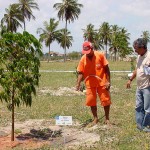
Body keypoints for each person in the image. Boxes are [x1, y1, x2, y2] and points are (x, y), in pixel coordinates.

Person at [76, 41, 111, 126]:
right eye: (85, 52)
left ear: (92, 49)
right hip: (90, 83)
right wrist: (78, 83)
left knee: (105, 100)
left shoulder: (100, 55)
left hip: (102, 82)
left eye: (88, 51)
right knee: (91, 101)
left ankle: (107, 119)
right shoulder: (83, 59)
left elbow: (107, 69)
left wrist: (108, 81)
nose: (87, 54)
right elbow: (81, 72)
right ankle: (95, 118)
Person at [126, 38, 150, 132]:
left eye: (136, 48)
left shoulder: (149, 56)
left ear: (142, 47)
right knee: (138, 107)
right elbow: (137, 69)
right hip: (139, 86)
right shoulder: (139, 56)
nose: (135, 50)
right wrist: (130, 79)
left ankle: (146, 126)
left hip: (147, 87)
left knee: (147, 108)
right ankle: (139, 125)